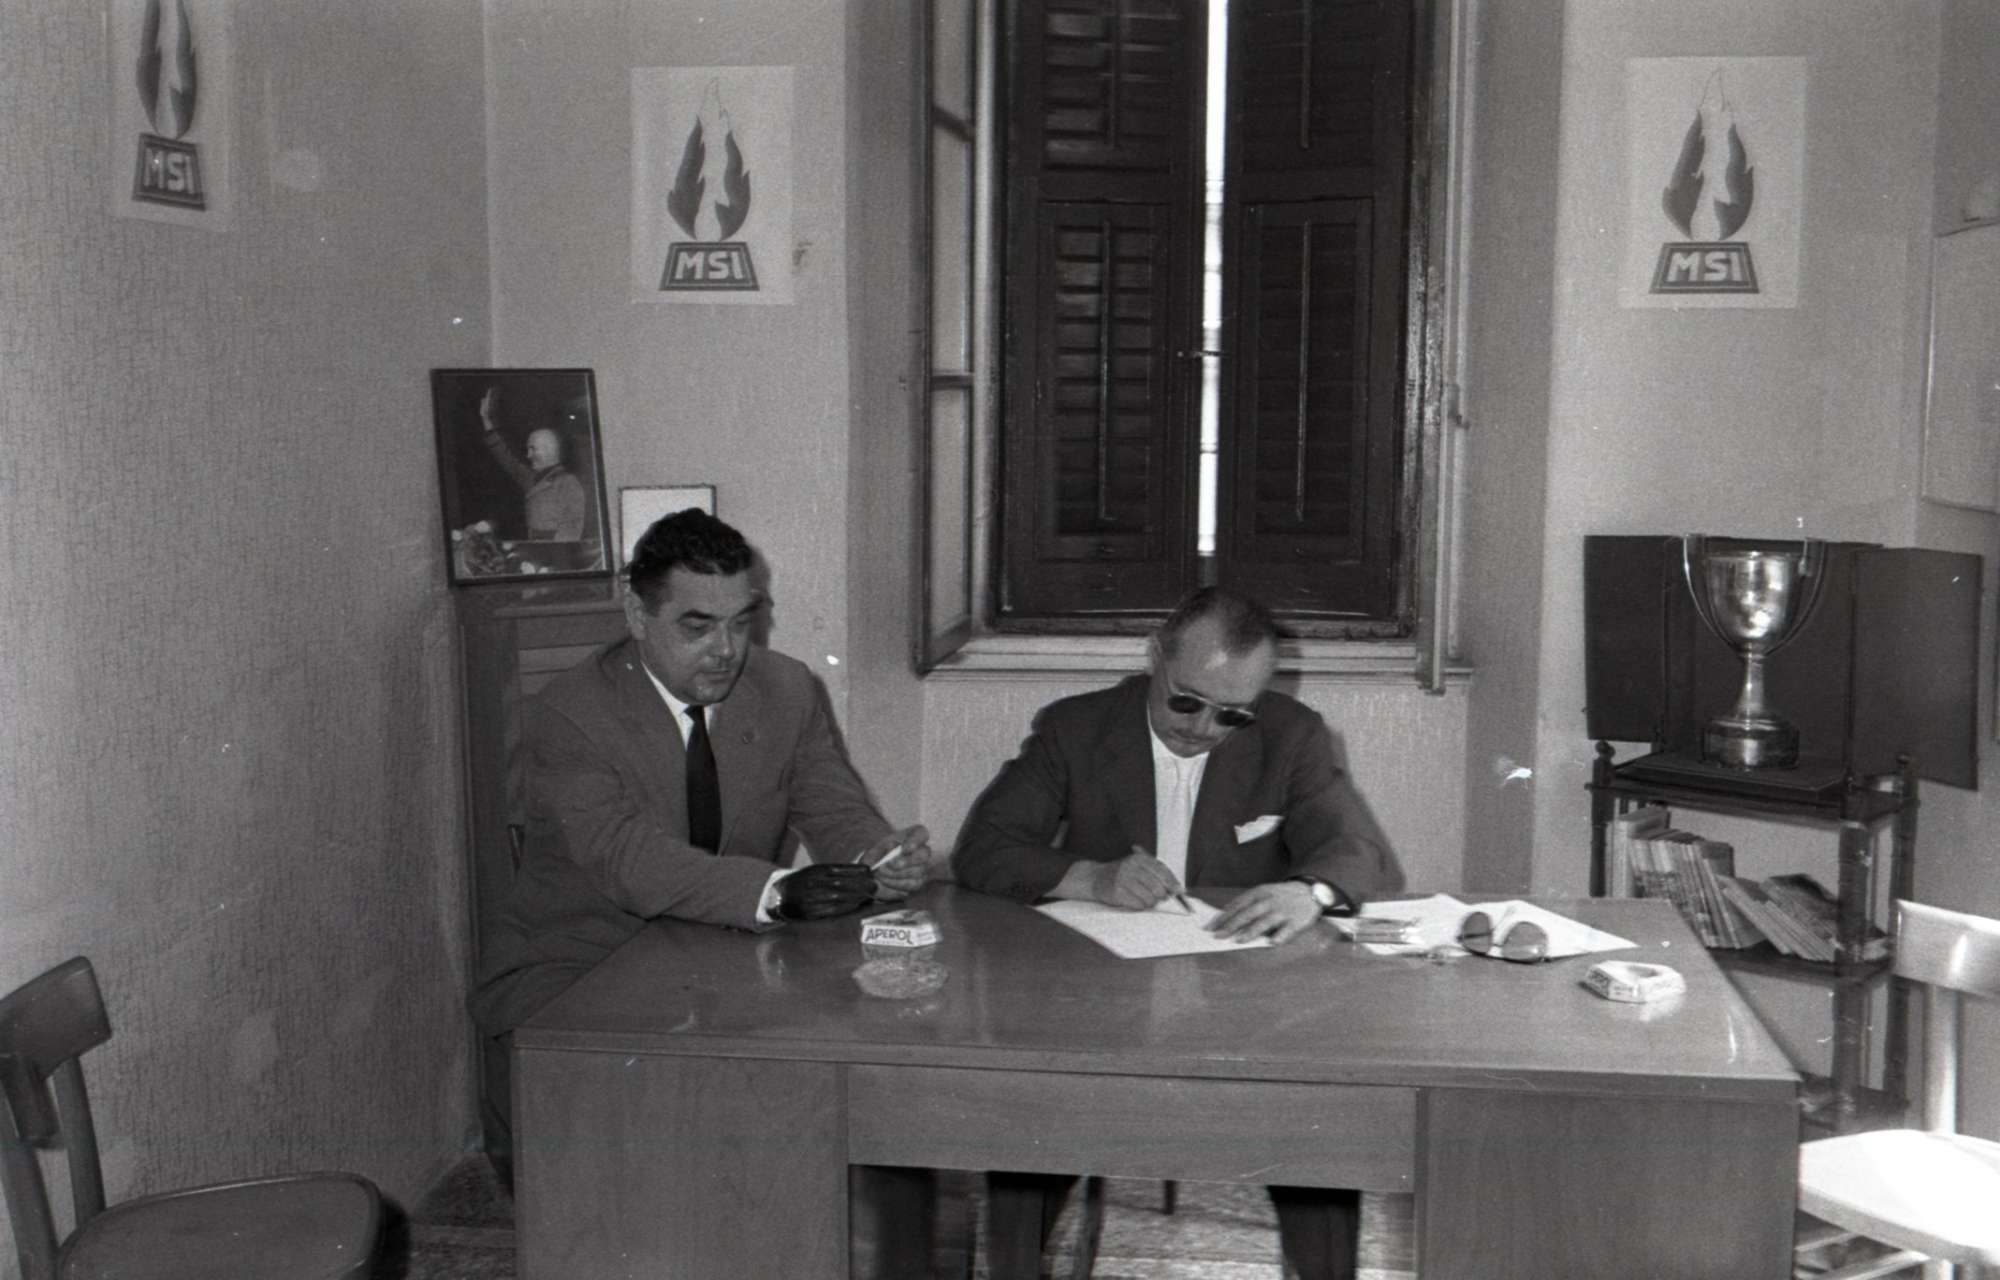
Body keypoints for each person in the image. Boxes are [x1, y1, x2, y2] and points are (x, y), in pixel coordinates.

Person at [469, 508, 935, 1275]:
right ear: (636, 615)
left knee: (815, 1136)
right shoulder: (568, 715)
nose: (726, 650)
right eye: (698, 626)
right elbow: (628, 860)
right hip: (576, 971)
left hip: (720, 966)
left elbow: (832, 807)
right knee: (620, 1219)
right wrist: (779, 892)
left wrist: (876, 856)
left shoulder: (786, 690)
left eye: (742, 622)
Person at [953, 585, 1404, 1280]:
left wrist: (1307, 891)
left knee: (1321, 1136)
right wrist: (1087, 876)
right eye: (1186, 702)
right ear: (1154, 658)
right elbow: (984, 848)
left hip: (1246, 1014)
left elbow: (1359, 851)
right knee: (1028, 1133)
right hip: (1096, 1006)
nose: (1203, 728)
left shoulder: (1292, 735)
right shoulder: (1077, 728)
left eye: (1232, 715)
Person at [477, 386, 590, 541]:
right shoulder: (532, 478)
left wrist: (554, 551)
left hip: (553, 549)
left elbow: (572, 527)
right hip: (535, 545)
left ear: (549, 450)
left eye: (533, 449)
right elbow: (506, 458)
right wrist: (486, 420)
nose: (528, 455)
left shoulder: (568, 483)